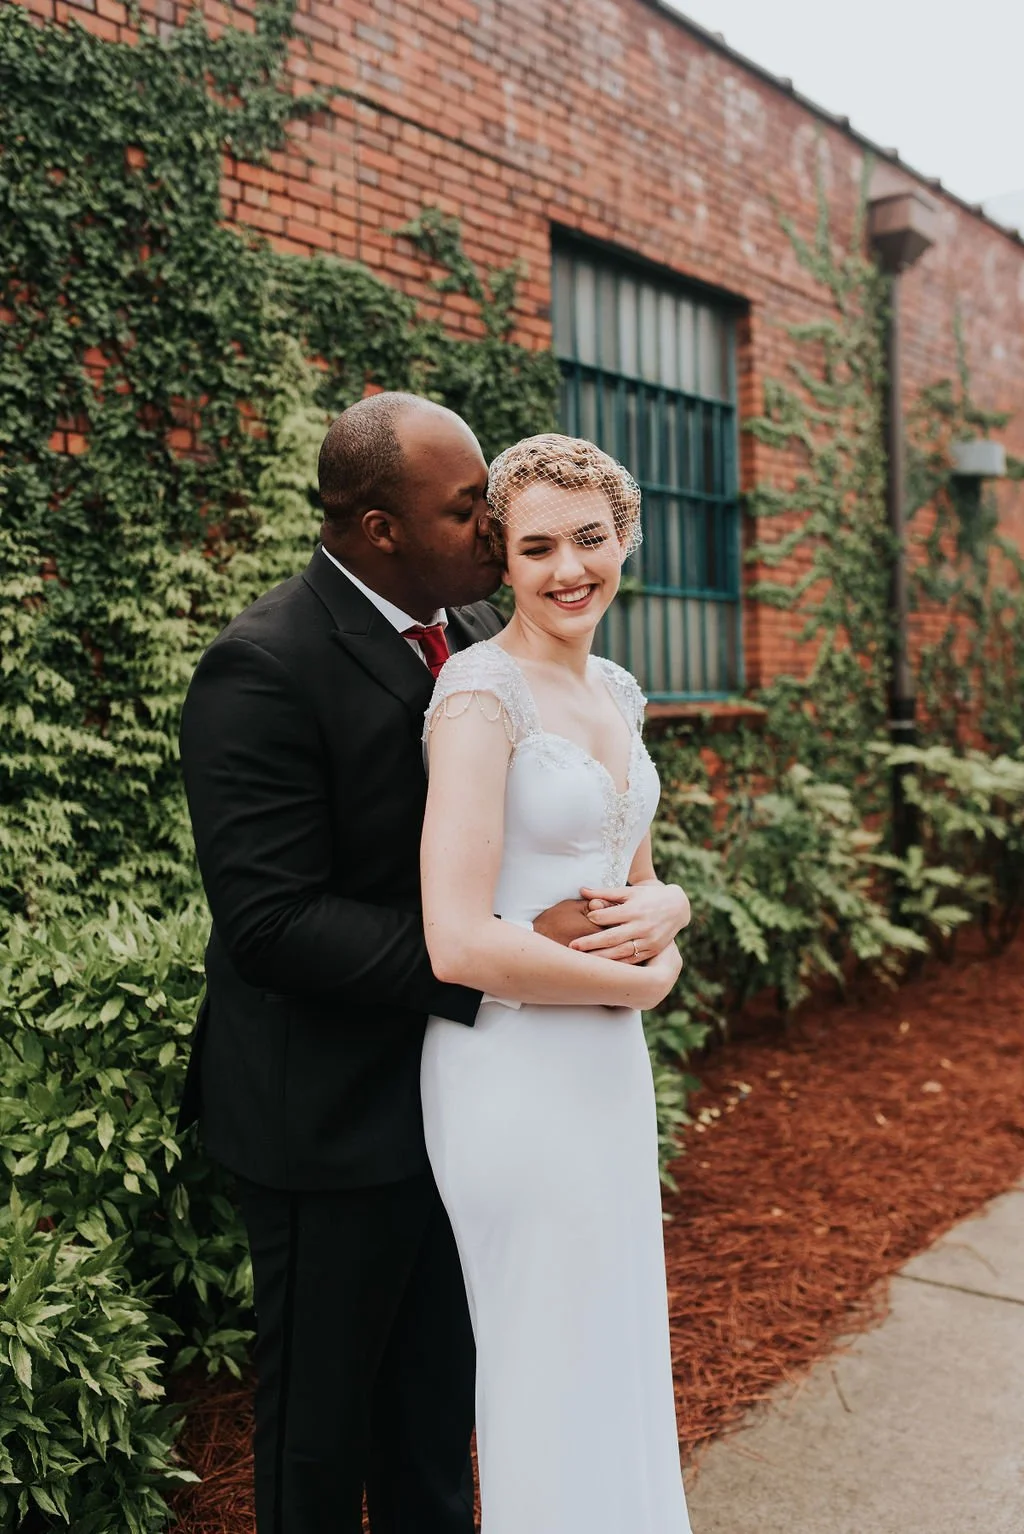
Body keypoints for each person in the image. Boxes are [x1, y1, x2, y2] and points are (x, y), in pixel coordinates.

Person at [177, 394, 689, 1534]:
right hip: (322, 1110)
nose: (495, 529)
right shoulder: (262, 663)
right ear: (378, 530)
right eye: (470, 511)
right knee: (317, 1437)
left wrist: (657, 905)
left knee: (433, 1425)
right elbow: (269, 921)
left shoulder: (475, 643)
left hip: (460, 1093)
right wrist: (515, 958)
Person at [420, 433, 694, 1534]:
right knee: (543, 1359)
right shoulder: (478, 694)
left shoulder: (619, 690)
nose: (566, 567)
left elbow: (630, 886)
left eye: (588, 538)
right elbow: (455, 939)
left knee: (617, 1341)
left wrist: (668, 923)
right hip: (510, 1070)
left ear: (625, 536)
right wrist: (633, 988)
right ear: (504, 558)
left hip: (604, 1071)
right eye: (536, 547)